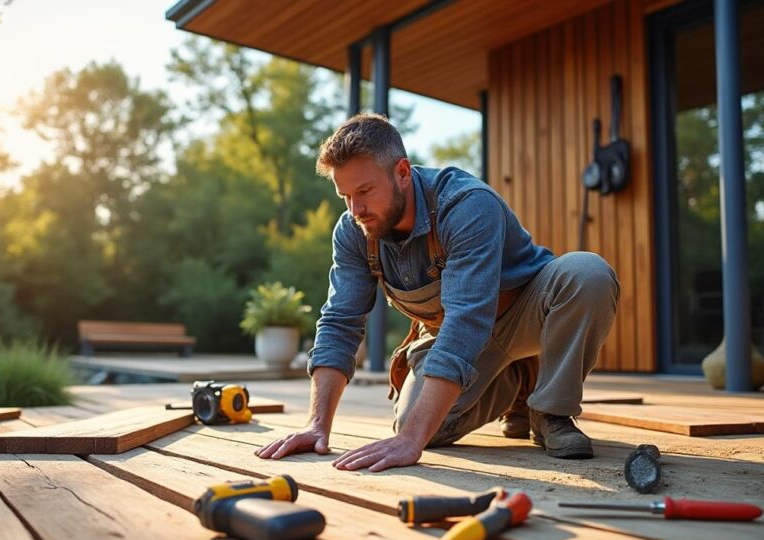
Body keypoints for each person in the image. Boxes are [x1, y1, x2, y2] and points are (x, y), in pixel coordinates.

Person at [254, 113, 619, 472]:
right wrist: (317, 425)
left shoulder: (466, 204)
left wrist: (411, 441)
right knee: (420, 424)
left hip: (526, 313)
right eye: (344, 195)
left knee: (588, 274)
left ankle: (551, 411)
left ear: (401, 172)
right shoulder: (353, 229)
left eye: (365, 191)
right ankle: (519, 384)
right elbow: (340, 321)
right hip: (451, 333)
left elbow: (467, 318)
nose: (356, 209)